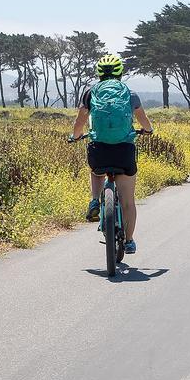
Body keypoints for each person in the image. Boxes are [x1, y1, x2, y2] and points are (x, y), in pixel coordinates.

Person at [69, 54, 153, 255]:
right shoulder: (130, 94)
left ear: (99, 73)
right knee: (128, 201)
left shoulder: (90, 93)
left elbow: (80, 122)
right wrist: (148, 130)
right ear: (120, 73)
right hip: (124, 151)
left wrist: (75, 136)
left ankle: (94, 200)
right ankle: (130, 241)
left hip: (99, 150)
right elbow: (144, 121)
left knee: (96, 170)